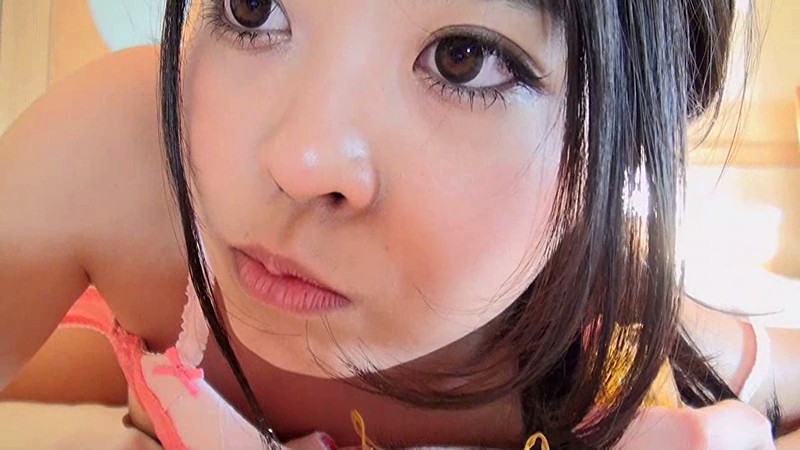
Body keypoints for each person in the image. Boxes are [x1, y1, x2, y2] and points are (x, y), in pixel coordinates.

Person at [0, 0, 796, 448]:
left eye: (463, 58)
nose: (302, 161)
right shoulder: (126, 158)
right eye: (252, 6)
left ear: (617, 150)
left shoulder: (619, 347)